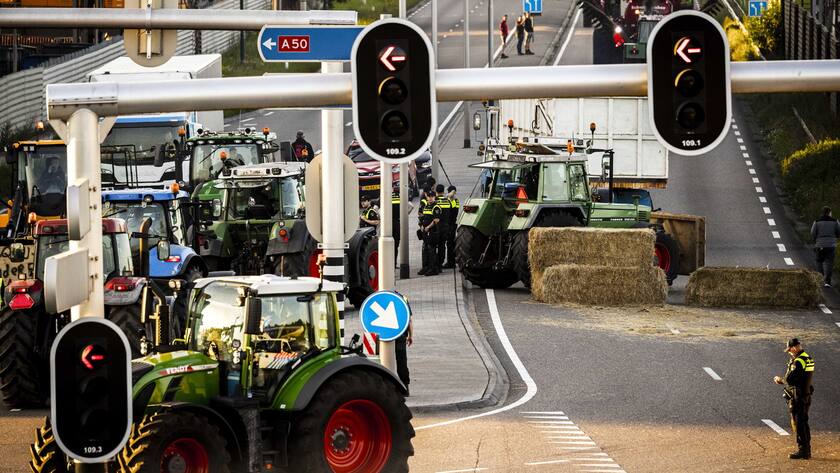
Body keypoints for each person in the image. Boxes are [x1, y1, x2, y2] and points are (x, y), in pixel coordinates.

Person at [774, 338, 815, 460]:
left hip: (798, 397)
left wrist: (780, 380)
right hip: (806, 395)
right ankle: (806, 449)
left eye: (790, 350)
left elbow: (790, 379)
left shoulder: (798, 361)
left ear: (794, 348)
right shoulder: (808, 358)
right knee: (803, 422)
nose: (789, 352)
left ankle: (803, 451)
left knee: (799, 423)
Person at [810, 206, 840, 287]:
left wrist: (816, 240)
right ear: (830, 212)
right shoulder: (835, 221)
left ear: (822, 212)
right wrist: (835, 237)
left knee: (819, 261)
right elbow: (839, 232)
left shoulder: (817, 221)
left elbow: (812, 233)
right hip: (831, 245)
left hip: (820, 244)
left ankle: (820, 278)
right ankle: (827, 282)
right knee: (829, 263)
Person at [418, 192, 442, 276]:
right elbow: (421, 217)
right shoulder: (426, 206)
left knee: (431, 250)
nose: (431, 198)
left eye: (432, 196)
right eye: (429, 196)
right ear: (427, 197)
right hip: (425, 232)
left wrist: (428, 227)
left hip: (433, 232)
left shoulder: (436, 207)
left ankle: (433, 269)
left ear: (434, 197)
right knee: (425, 249)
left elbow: (436, 220)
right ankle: (425, 267)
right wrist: (421, 225)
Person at [394, 293, 414, 396]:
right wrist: (410, 336)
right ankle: (405, 387)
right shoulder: (402, 298)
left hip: (382, 337)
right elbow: (409, 319)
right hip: (400, 335)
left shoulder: (379, 296)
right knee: (401, 362)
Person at [433, 184, 451, 266]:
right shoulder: (447, 201)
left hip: (435, 227)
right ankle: (441, 262)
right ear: (443, 192)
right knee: (442, 245)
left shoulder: (434, 201)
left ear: (436, 191)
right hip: (445, 226)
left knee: (434, 245)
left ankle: (434, 263)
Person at [443, 185, 459, 268]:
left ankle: (451, 263)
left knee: (450, 244)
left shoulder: (450, 200)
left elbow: (449, 196)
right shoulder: (456, 200)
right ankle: (452, 261)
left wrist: (450, 193)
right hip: (453, 224)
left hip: (449, 225)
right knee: (452, 243)